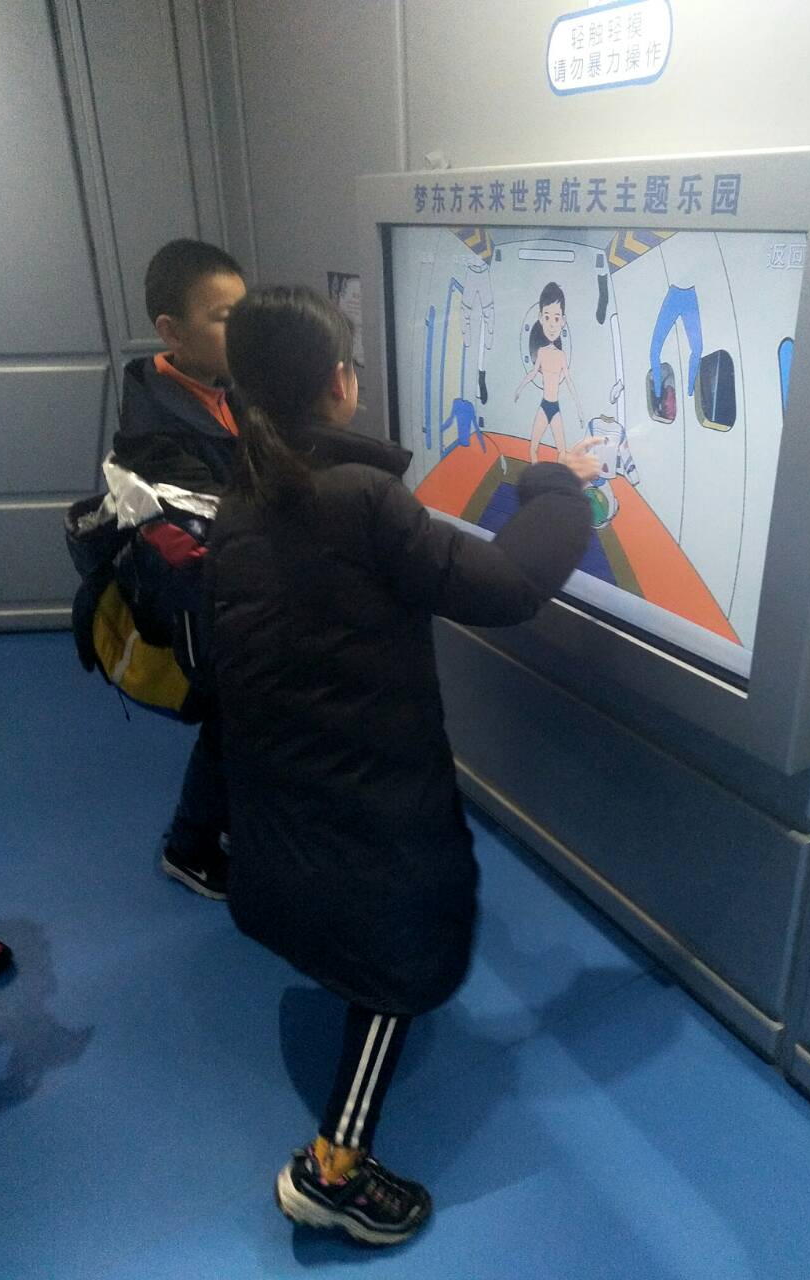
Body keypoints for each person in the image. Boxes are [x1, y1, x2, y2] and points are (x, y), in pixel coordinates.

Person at [207, 285, 601, 1246]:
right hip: (368, 789)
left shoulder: (244, 495)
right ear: (339, 384)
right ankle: (331, 1171)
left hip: (288, 778)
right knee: (396, 960)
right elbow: (505, 586)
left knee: (349, 914)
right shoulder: (359, 498)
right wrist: (556, 489)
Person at [115, 239, 246, 899]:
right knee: (230, 719)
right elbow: (215, 521)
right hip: (201, 597)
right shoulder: (155, 427)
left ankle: (232, 822)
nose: (241, 330)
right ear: (171, 331)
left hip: (234, 590)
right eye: (223, 318)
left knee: (248, 717)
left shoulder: (223, 388)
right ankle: (188, 848)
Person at [515, 281, 584, 464]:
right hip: (544, 406)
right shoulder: (542, 352)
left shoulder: (561, 355)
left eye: (556, 318)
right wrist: (519, 389)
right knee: (533, 448)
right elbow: (532, 373)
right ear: (540, 318)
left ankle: (556, 480)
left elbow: (569, 381)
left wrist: (579, 409)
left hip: (555, 407)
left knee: (562, 452)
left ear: (563, 321)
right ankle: (536, 478)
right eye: (547, 318)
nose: (552, 325)